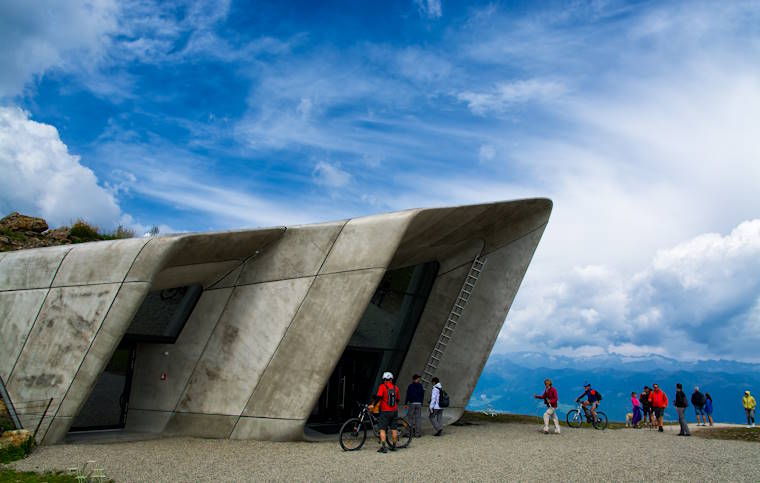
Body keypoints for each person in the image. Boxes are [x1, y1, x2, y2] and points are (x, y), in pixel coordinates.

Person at [374, 371, 400, 453]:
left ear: (384, 379)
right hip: (394, 411)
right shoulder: (396, 387)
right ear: (391, 379)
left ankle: (383, 447)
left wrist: (374, 405)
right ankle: (394, 446)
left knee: (382, 429)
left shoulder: (382, 386)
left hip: (385, 411)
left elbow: (378, 397)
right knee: (394, 429)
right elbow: (398, 399)